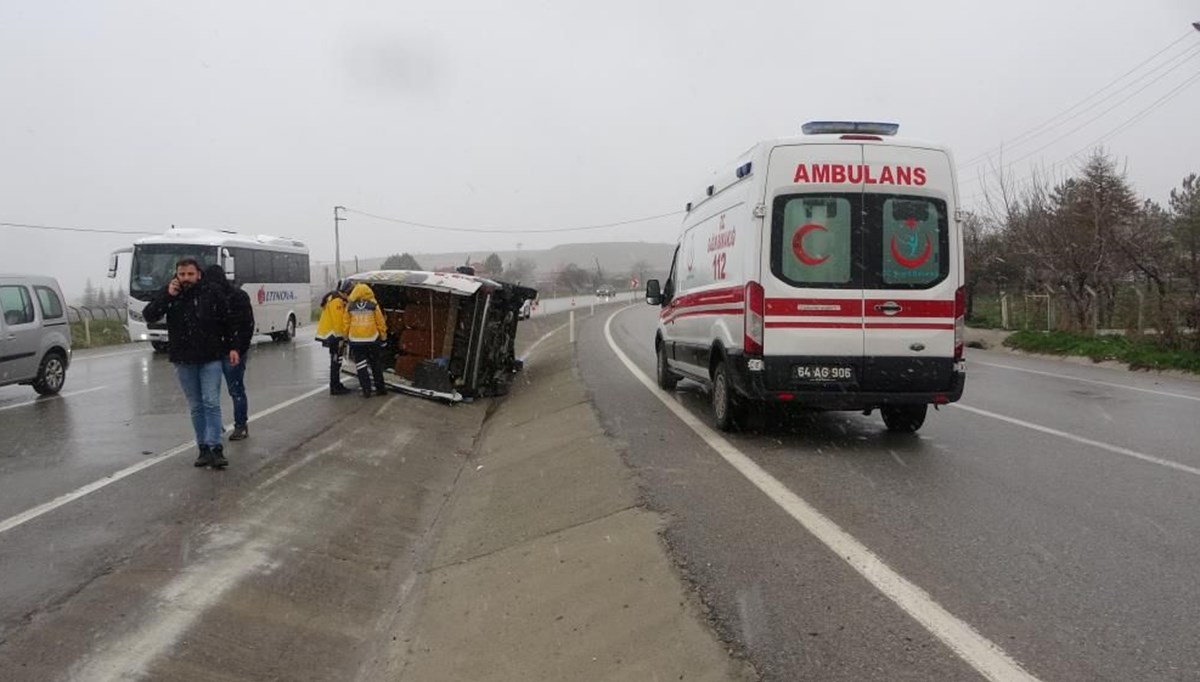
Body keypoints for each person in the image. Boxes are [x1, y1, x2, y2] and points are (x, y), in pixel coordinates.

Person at [143, 258, 238, 469]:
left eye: (190, 274)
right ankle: (202, 447)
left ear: (198, 274)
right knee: (196, 405)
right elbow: (149, 314)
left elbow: (227, 320)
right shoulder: (170, 293)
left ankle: (216, 447)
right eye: (182, 274)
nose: (186, 278)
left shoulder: (211, 292)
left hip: (210, 356)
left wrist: (232, 346)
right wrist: (167, 296)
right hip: (184, 358)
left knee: (211, 402)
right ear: (177, 275)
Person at [204, 264, 254, 440]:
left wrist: (239, 349)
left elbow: (246, 326)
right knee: (217, 392)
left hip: (231, 351)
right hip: (216, 351)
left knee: (233, 389)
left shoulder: (236, 296)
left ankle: (240, 425)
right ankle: (229, 426)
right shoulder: (211, 297)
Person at [342, 282, 388, 397]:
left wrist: (346, 337)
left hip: (356, 341)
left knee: (361, 366)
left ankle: (366, 390)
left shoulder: (350, 306)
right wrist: (383, 337)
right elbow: (380, 322)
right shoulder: (373, 305)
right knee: (375, 364)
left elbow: (346, 324)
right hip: (372, 339)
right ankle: (380, 389)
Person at [316, 282, 352, 395]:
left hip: (330, 335)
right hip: (334, 336)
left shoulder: (333, 298)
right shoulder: (337, 301)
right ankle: (335, 386)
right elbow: (338, 322)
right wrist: (342, 338)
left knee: (335, 360)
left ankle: (336, 384)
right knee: (336, 361)